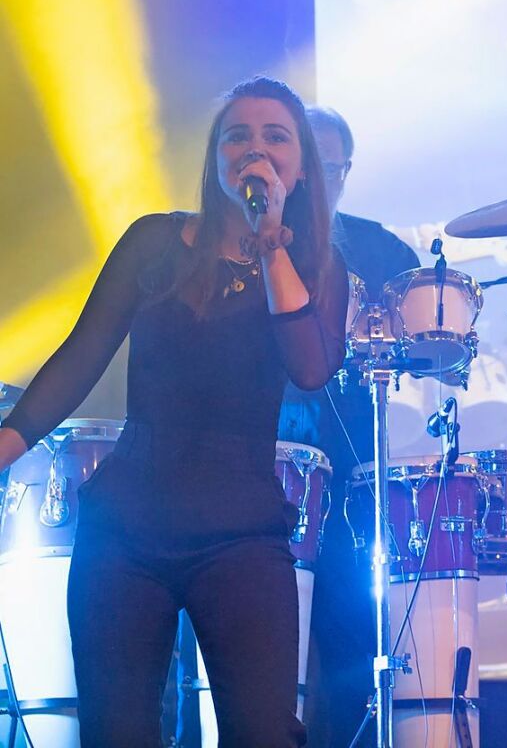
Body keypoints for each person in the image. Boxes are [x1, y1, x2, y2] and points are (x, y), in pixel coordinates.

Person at [0, 76, 348, 747]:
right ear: (215, 159)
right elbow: (82, 353)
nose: (256, 150)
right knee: (117, 730)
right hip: (128, 525)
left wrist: (271, 240)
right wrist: (10, 439)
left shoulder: (313, 267)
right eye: (237, 135)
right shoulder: (155, 243)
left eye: (276, 137)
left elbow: (310, 367)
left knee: (263, 732)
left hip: (241, 532)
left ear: (302, 168)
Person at [276, 106, 419, 747]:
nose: (316, 182)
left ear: (347, 172)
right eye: (306, 167)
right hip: (267, 463)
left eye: (329, 168)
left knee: (350, 641)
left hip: (358, 469)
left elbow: (426, 345)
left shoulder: (384, 250)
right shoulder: (258, 242)